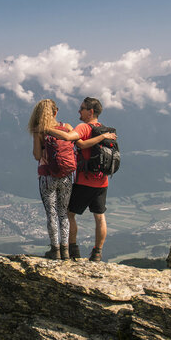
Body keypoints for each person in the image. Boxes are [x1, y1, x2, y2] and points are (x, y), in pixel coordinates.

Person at [45, 97, 115, 261]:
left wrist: (47, 129)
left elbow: (71, 139)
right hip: (103, 181)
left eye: (82, 108)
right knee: (100, 216)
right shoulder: (103, 129)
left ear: (90, 111)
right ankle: (97, 253)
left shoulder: (84, 127)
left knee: (69, 214)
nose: (79, 111)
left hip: (85, 181)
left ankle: (73, 249)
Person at [28, 99, 75, 259]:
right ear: (56, 112)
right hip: (66, 176)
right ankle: (66, 250)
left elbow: (37, 155)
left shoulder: (40, 131)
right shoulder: (67, 127)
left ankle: (55, 249)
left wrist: (36, 135)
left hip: (47, 176)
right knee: (63, 213)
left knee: (51, 214)